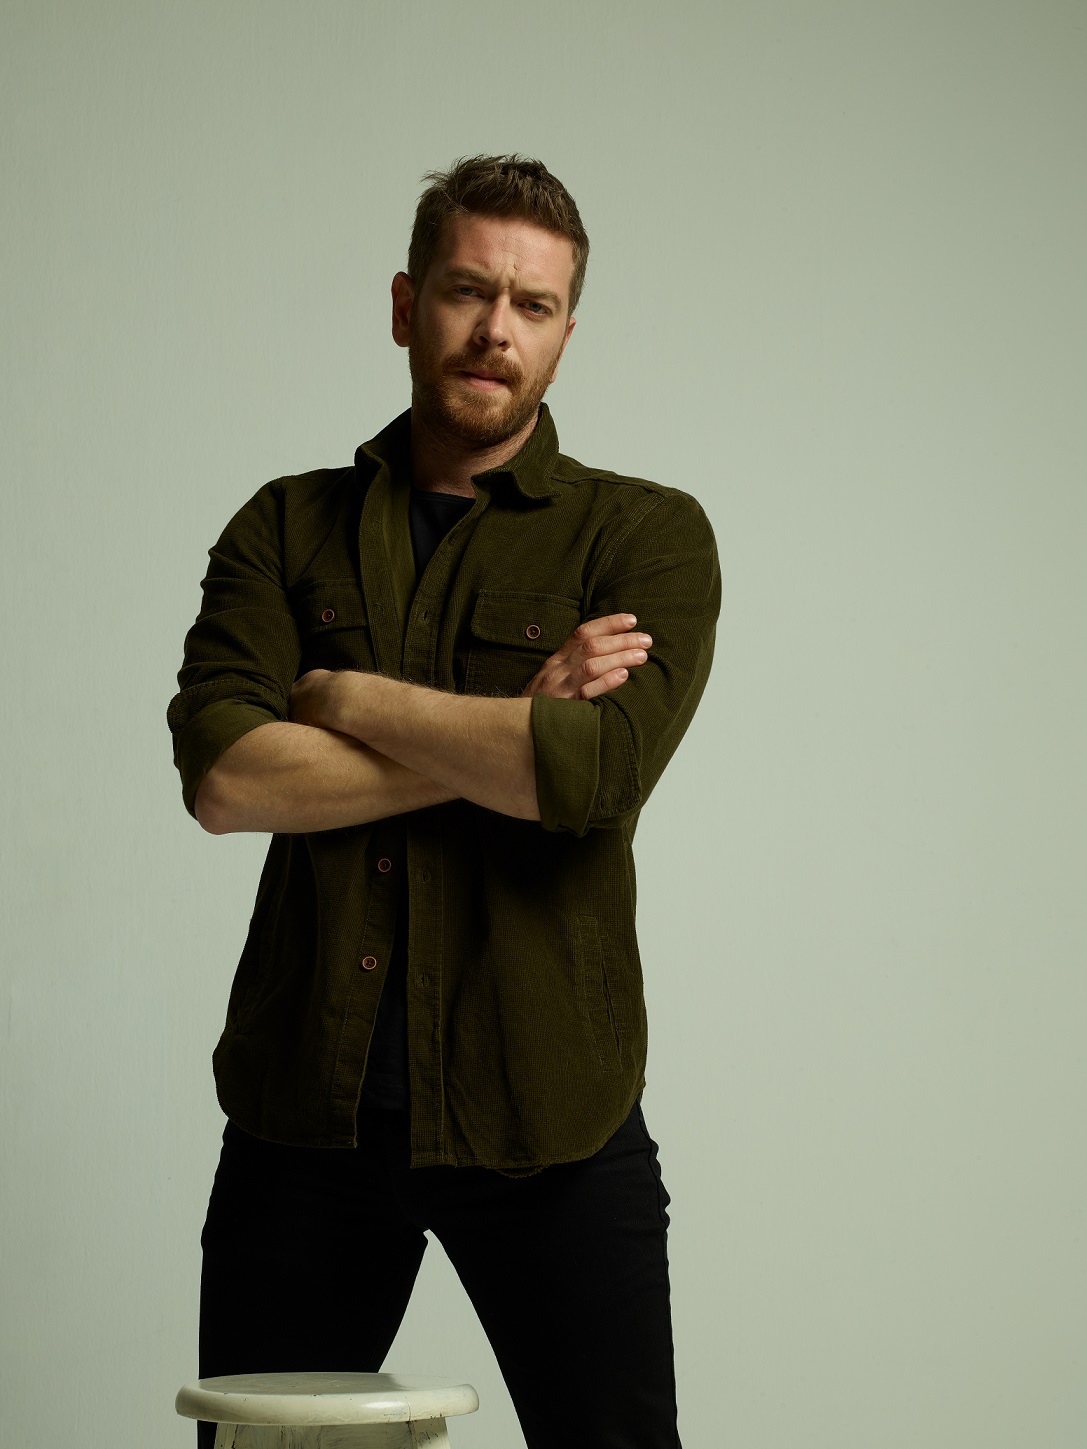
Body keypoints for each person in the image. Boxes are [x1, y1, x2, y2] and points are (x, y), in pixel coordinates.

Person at [168, 154, 720, 1449]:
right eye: (469, 291)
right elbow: (229, 779)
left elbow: (594, 775)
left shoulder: (644, 538)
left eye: (534, 305)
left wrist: (345, 698)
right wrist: (518, 723)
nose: (495, 331)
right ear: (407, 304)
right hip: (304, 1124)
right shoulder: (283, 529)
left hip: (551, 1118)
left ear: (566, 334)